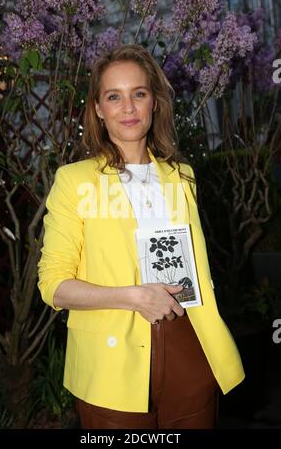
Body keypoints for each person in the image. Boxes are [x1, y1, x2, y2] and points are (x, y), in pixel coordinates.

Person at [37, 43, 245, 429]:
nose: (128, 108)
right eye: (114, 96)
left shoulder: (181, 176)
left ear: (155, 102)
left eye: (139, 94)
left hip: (189, 344)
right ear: (98, 108)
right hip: (111, 362)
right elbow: (53, 286)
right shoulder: (74, 181)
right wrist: (132, 296)